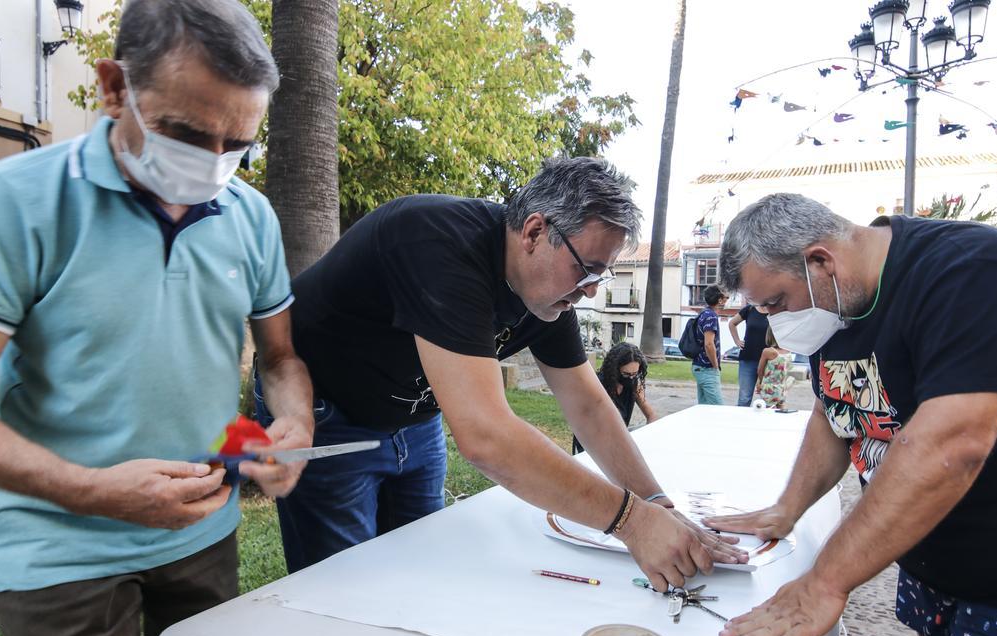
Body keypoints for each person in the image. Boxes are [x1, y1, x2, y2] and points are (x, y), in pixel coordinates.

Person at [0, 1, 315, 636]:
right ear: (115, 87)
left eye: (237, 144)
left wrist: (293, 424)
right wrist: (94, 490)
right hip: (58, 548)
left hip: (204, 533)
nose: (212, 166)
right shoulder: (15, 201)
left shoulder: (251, 217)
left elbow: (281, 357)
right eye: (184, 132)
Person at [707, 193, 997, 636]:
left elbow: (950, 446)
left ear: (821, 262)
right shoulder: (837, 305)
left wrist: (824, 581)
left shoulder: (975, 271)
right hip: (938, 544)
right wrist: (786, 509)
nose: (774, 321)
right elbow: (834, 413)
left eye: (775, 303)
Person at [261, 157, 749, 589]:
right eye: (588, 270)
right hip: (326, 411)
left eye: (602, 277)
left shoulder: (548, 292)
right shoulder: (435, 242)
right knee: (342, 589)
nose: (592, 292)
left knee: (421, 569)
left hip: (413, 416)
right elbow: (486, 436)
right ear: (535, 232)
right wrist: (633, 523)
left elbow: (587, 405)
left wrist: (657, 504)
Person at [572, 342, 659, 454]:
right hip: (592, 444)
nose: (631, 378)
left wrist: (652, 433)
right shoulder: (597, 386)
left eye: (635, 374)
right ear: (614, 369)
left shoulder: (633, 384)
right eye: (626, 374)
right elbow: (604, 429)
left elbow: (651, 415)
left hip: (617, 438)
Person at [729, 304, 770, 406]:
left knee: (769, 398)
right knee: (744, 398)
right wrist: (737, 341)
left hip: (769, 362)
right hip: (748, 359)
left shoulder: (775, 310)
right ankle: (742, 421)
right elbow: (732, 323)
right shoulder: (749, 309)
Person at [691, 284, 726, 405]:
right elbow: (709, 344)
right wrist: (715, 365)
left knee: (705, 408)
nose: (726, 300)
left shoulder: (703, 313)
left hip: (699, 366)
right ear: (719, 300)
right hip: (707, 368)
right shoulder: (711, 316)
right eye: (725, 297)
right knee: (718, 408)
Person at [754, 334, 793, 410]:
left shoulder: (767, 351)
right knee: (781, 410)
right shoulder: (788, 352)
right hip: (782, 387)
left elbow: (760, 370)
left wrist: (760, 383)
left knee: (766, 411)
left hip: (769, 388)